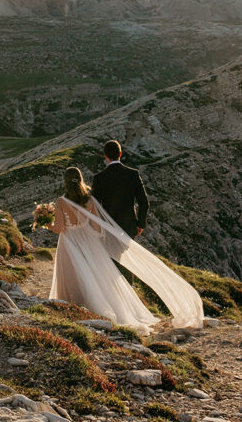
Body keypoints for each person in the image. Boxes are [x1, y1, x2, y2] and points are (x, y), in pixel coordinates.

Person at [47, 166, 203, 332]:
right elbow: (97, 228)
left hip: (70, 242)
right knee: (94, 275)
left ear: (65, 181)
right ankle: (93, 306)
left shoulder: (61, 202)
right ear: (81, 179)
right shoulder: (90, 200)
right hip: (89, 242)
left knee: (73, 273)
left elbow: (59, 228)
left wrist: (46, 224)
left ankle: (71, 306)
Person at [91, 140, 149, 238]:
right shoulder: (133, 174)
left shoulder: (98, 178)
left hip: (108, 227)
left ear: (105, 156)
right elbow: (144, 202)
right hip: (129, 227)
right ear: (120, 154)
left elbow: (95, 206)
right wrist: (140, 224)